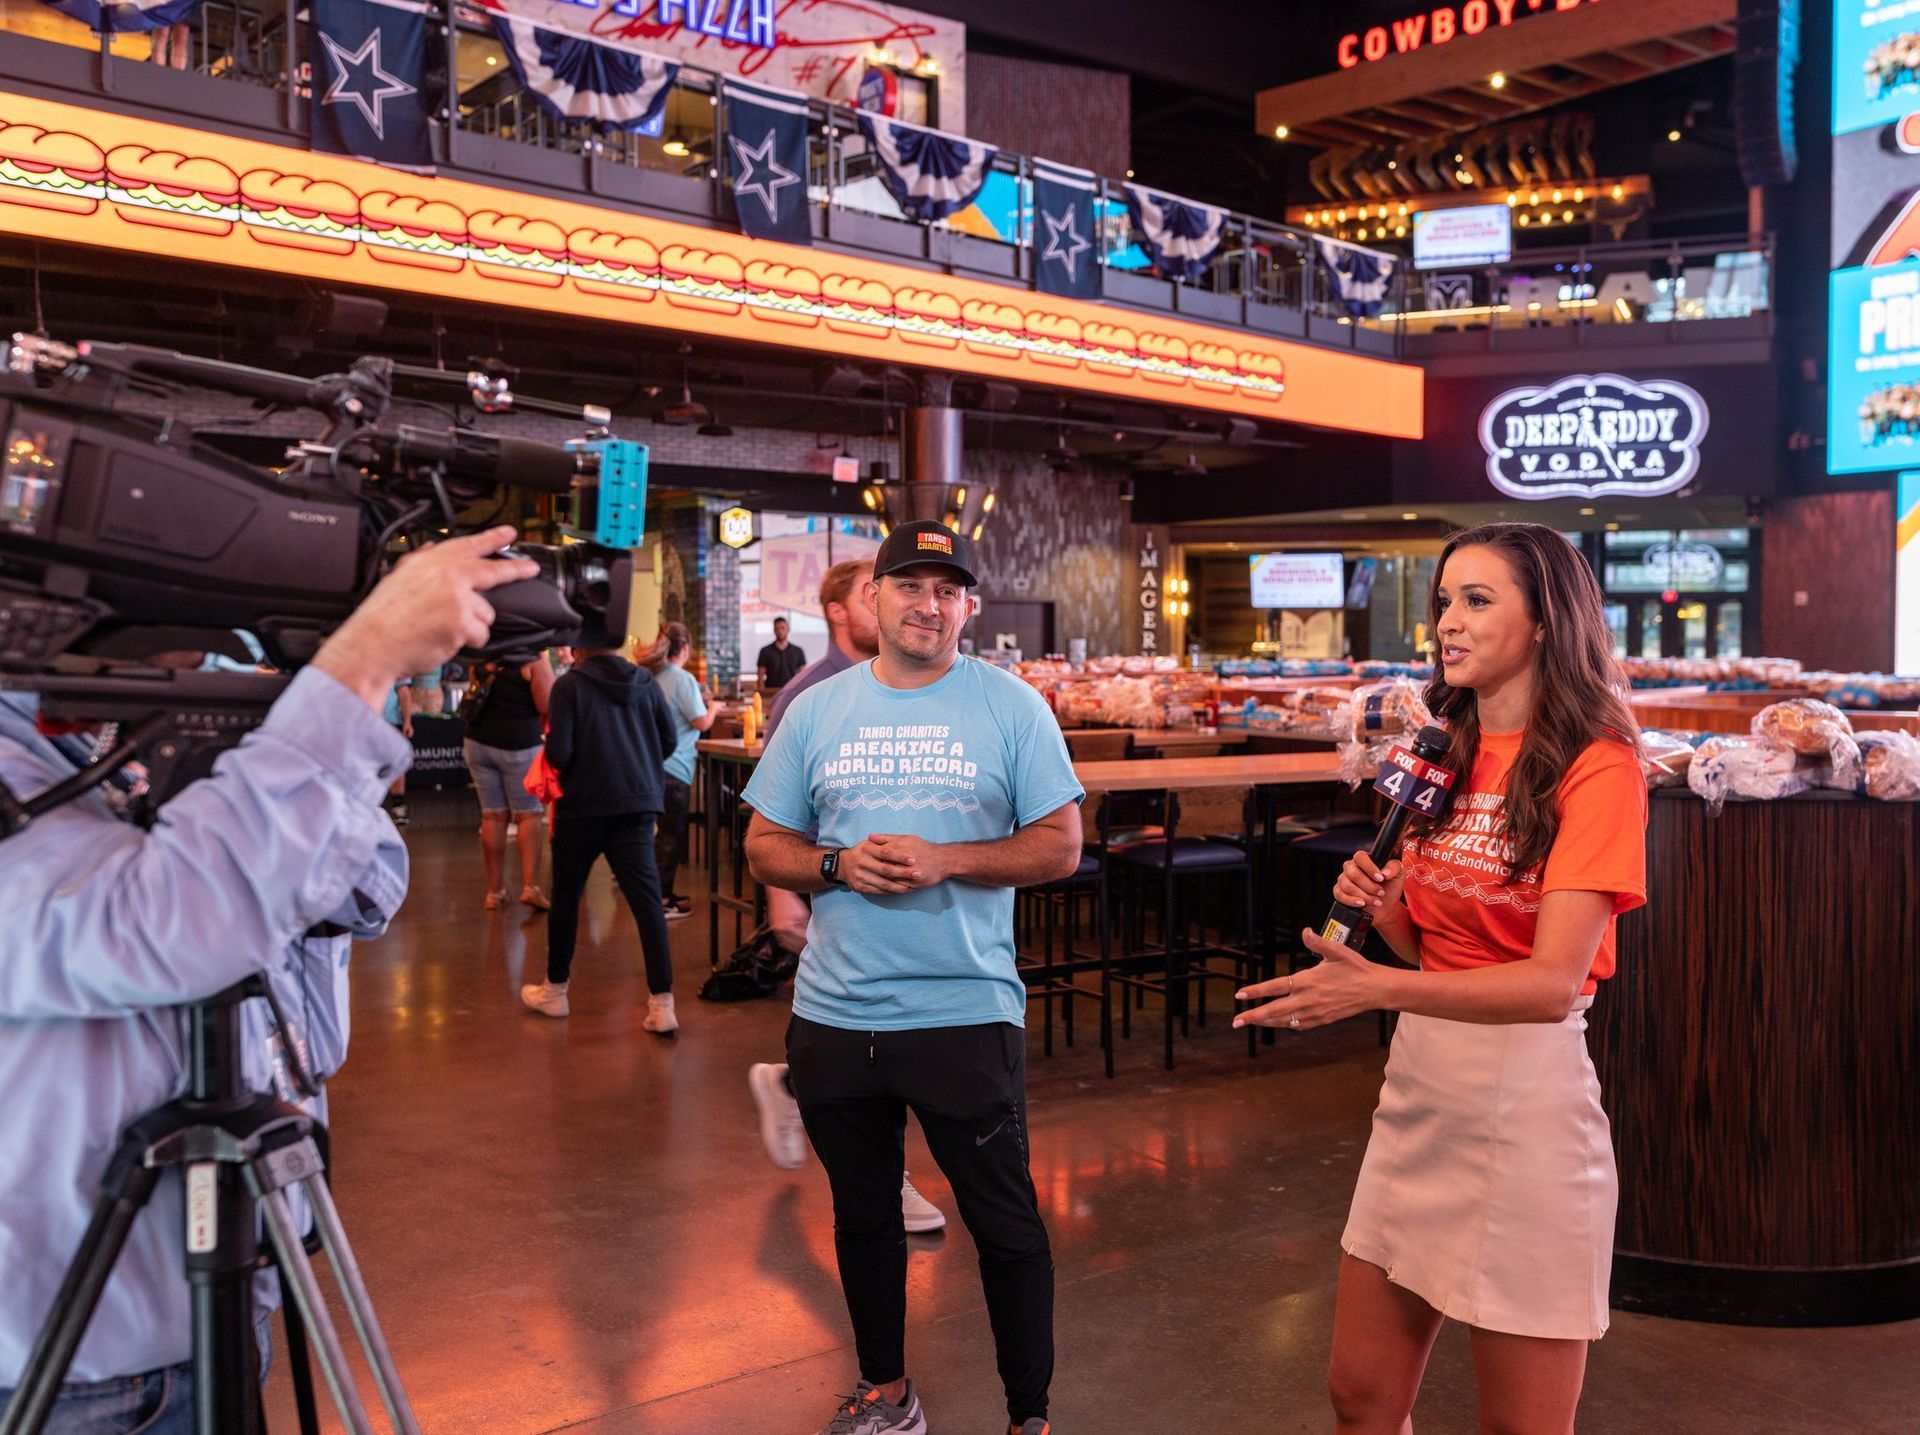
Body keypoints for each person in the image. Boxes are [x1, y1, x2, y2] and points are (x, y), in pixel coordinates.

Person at [0, 527, 538, 1431]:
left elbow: (371, 884)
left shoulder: (123, 726)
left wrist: (260, 744)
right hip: (82, 1367)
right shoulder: (32, 755)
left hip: (224, 1285)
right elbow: (157, 924)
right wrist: (358, 665)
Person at [1234, 522, 1647, 1435]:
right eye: (1443, 602)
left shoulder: (1599, 766)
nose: (1447, 623)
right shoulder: (1440, 753)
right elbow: (1436, 959)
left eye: (1477, 600)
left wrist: (1371, 988)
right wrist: (1386, 916)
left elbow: (1549, 984)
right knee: (1361, 1394)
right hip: (1420, 1094)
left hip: (1528, 1107)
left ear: (1546, 621)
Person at [741, 522, 1084, 1435]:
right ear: (874, 598)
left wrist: (950, 860)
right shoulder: (816, 711)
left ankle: (1029, 1418)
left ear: (968, 605)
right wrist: (834, 867)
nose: (927, 604)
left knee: (1005, 1226)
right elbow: (763, 841)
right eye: (908, 586)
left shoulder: (1012, 706)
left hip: (962, 1011)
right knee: (863, 1220)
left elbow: (1061, 844)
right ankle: (888, 1394)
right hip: (835, 1014)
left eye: (947, 590)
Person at [744, 558, 946, 1236]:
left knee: (893, 1036)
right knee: (878, 1039)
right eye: (880, 593)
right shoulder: (808, 696)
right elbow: (779, 822)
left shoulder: (923, 680)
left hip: (915, 897)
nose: (906, 606)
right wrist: (782, 897)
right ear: (840, 610)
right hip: (840, 896)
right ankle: (889, 1181)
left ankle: (791, 1083)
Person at [520, 638, 682, 1034]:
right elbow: (669, 741)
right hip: (638, 804)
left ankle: (555, 992)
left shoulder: (569, 686)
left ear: (578, 647)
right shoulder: (645, 681)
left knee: (567, 899)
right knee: (647, 905)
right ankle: (663, 1006)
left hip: (582, 807)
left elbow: (559, 753)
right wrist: (635, 761)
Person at [462, 653, 556, 911]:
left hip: (477, 740)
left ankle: (494, 892)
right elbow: (545, 703)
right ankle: (530, 887)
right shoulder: (534, 654)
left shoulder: (485, 646)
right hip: (519, 743)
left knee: (492, 816)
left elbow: (475, 682)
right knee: (528, 815)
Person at [653, 622, 717, 920]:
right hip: (677, 767)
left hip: (654, 766)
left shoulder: (653, 676)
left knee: (660, 835)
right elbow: (701, 723)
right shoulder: (682, 679)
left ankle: (659, 894)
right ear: (686, 649)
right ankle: (663, 900)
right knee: (671, 837)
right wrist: (713, 708)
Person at [756, 615, 807, 695]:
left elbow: (803, 675)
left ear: (788, 630)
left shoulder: (798, 651)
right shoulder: (765, 651)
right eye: (777, 628)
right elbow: (760, 676)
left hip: (791, 692)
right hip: (771, 693)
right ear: (774, 630)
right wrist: (762, 694)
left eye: (782, 628)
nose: (780, 631)